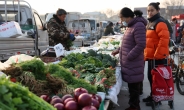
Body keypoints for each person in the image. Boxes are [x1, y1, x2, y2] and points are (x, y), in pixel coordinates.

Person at [112, 7, 147, 110]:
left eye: (122, 18)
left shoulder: (138, 26)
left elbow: (141, 44)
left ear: (128, 16)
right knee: (132, 88)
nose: (122, 21)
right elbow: (127, 44)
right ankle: (133, 105)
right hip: (131, 63)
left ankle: (135, 107)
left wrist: (129, 56)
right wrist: (119, 50)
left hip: (134, 62)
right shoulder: (130, 26)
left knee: (134, 88)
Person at [143, 2, 170, 106]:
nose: (150, 12)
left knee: (157, 79)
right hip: (151, 57)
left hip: (157, 57)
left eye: (152, 10)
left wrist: (157, 54)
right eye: (148, 10)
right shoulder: (151, 23)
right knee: (150, 77)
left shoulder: (160, 23)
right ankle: (153, 95)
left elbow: (164, 40)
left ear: (158, 11)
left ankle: (157, 100)